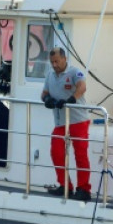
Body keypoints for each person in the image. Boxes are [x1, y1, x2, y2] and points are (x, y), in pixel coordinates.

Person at [41, 47, 91, 201]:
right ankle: (65, 186)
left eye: (56, 61)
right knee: (56, 152)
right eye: (52, 62)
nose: (54, 65)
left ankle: (83, 189)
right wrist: (47, 100)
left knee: (80, 154)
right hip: (61, 122)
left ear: (64, 59)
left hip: (78, 120)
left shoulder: (75, 72)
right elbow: (44, 93)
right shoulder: (50, 75)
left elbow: (82, 86)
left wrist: (72, 99)